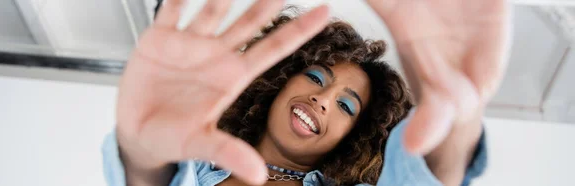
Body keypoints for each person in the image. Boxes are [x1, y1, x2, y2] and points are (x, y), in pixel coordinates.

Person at [103, 0, 509, 185]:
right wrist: (142, 156)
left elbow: (425, 176)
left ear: (353, 137)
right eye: (316, 79)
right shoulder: (193, 169)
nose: (323, 100)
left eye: (347, 107)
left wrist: (458, 122)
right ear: (277, 82)